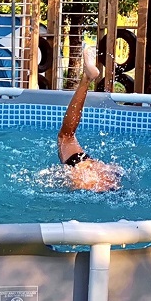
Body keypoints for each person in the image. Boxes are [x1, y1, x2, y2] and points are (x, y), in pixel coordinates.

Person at [57, 44, 122, 192]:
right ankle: (86, 79)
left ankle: (86, 79)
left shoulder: (87, 182)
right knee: (66, 136)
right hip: (100, 176)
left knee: (66, 136)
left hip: (87, 173)